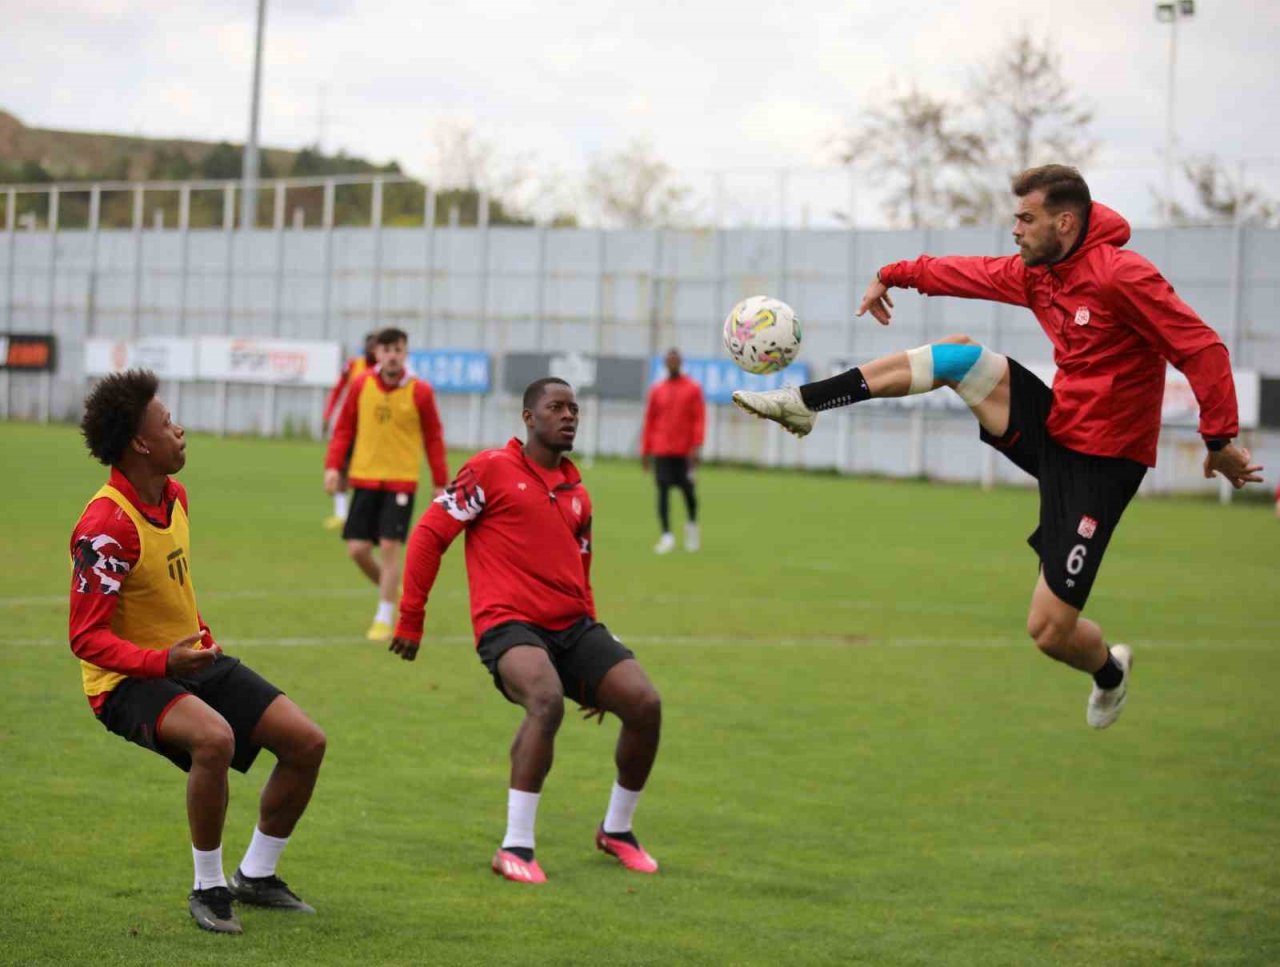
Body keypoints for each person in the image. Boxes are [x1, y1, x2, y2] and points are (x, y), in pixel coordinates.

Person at [732, 164, 1263, 730]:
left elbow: (1201, 347)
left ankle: (1110, 672)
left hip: (1104, 466)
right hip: (1057, 427)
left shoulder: (1122, 276)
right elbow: (967, 273)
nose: (1015, 230)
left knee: (1049, 632)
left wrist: (1219, 439)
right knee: (957, 356)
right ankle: (805, 402)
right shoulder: (1041, 272)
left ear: (1064, 221)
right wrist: (893, 273)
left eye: (1026, 218)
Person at [69, 369, 327, 934]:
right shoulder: (107, 527)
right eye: (167, 423)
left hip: (189, 658)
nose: (179, 430)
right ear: (140, 442)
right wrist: (163, 663)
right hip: (123, 682)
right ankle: (208, 887)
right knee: (214, 740)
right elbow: (85, 639)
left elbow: (169, 586)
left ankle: (256, 875)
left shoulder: (175, 496)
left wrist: (200, 632)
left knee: (306, 743)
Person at [388, 378, 663, 884]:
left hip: (574, 627)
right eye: (556, 407)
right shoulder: (490, 469)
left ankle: (617, 830)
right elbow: (430, 533)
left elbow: (582, 576)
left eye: (574, 409)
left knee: (644, 703)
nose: (569, 416)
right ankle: (515, 846)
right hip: (507, 623)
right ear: (528, 418)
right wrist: (411, 616)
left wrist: (597, 663)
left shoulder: (578, 494)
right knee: (546, 700)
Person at [324, 326, 449, 641]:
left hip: (401, 482)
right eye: (387, 350)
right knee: (357, 550)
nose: (392, 356)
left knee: (391, 548)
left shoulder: (420, 391)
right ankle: (393, 590)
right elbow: (344, 429)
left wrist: (440, 482)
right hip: (364, 477)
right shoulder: (362, 385)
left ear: (405, 354)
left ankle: (383, 615)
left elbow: (434, 438)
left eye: (398, 350)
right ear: (377, 354)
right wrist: (332, 466)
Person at [641, 347, 706, 554]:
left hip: (684, 452)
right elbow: (650, 420)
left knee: (688, 492)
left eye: (675, 360)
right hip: (662, 450)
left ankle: (692, 526)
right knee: (663, 492)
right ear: (665, 363)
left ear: (681, 362)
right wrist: (646, 450)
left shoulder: (693, 388)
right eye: (669, 360)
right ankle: (666, 535)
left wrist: (696, 445)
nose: (672, 364)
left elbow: (699, 418)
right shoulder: (657, 389)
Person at [322, 331, 378, 530]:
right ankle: (341, 513)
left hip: (374, 430)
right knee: (342, 468)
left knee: (370, 469)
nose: (371, 349)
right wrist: (329, 414)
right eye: (369, 344)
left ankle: (369, 513)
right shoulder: (354, 365)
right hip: (352, 425)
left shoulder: (388, 373)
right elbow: (338, 389)